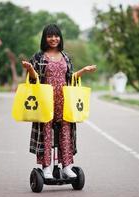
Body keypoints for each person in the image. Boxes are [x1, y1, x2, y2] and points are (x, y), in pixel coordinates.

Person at [22, 24, 96, 179]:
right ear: (45, 38)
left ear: (60, 38)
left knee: (65, 133)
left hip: (64, 102)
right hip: (45, 102)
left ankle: (67, 166)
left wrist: (84, 70)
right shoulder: (38, 57)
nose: (53, 39)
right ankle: (47, 167)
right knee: (46, 133)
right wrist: (30, 69)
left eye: (56, 36)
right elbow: (34, 80)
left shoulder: (66, 57)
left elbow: (71, 78)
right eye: (50, 36)